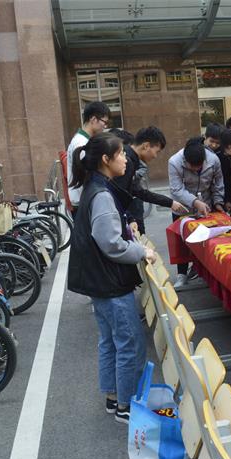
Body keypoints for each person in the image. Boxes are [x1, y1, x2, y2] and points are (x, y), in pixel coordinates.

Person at [67, 132, 155, 423]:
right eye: (120, 154)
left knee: (110, 341)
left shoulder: (94, 187)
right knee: (130, 343)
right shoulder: (102, 195)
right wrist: (141, 251)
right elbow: (112, 244)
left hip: (98, 280)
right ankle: (127, 406)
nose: (125, 159)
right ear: (106, 159)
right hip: (110, 282)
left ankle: (114, 397)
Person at [168, 137, 225, 288]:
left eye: (199, 167)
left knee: (205, 239)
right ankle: (181, 274)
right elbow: (176, 189)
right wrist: (194, 202)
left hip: (206, 205)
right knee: (181, 241)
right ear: (185, 161)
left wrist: (218, 201)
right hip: (182, 207)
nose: (195, 170)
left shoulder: (213, 160)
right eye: (191, 167)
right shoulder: (174, 162)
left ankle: (201, 272)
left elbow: (218, 182)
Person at [112, 126, 187, 233]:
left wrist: (170, 203)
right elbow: (117, 197)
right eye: (157, 151)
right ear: (146, 146)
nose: (155, 156)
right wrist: (130, 219)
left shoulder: (131, 159)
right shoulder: (127, 162)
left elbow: (138, 191)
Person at [67, 101, 110, 216]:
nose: (105, 126)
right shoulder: (81, 143)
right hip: (84, 203)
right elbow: (88, 176)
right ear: (93, 119)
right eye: (104, 122)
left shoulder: (82, 140)